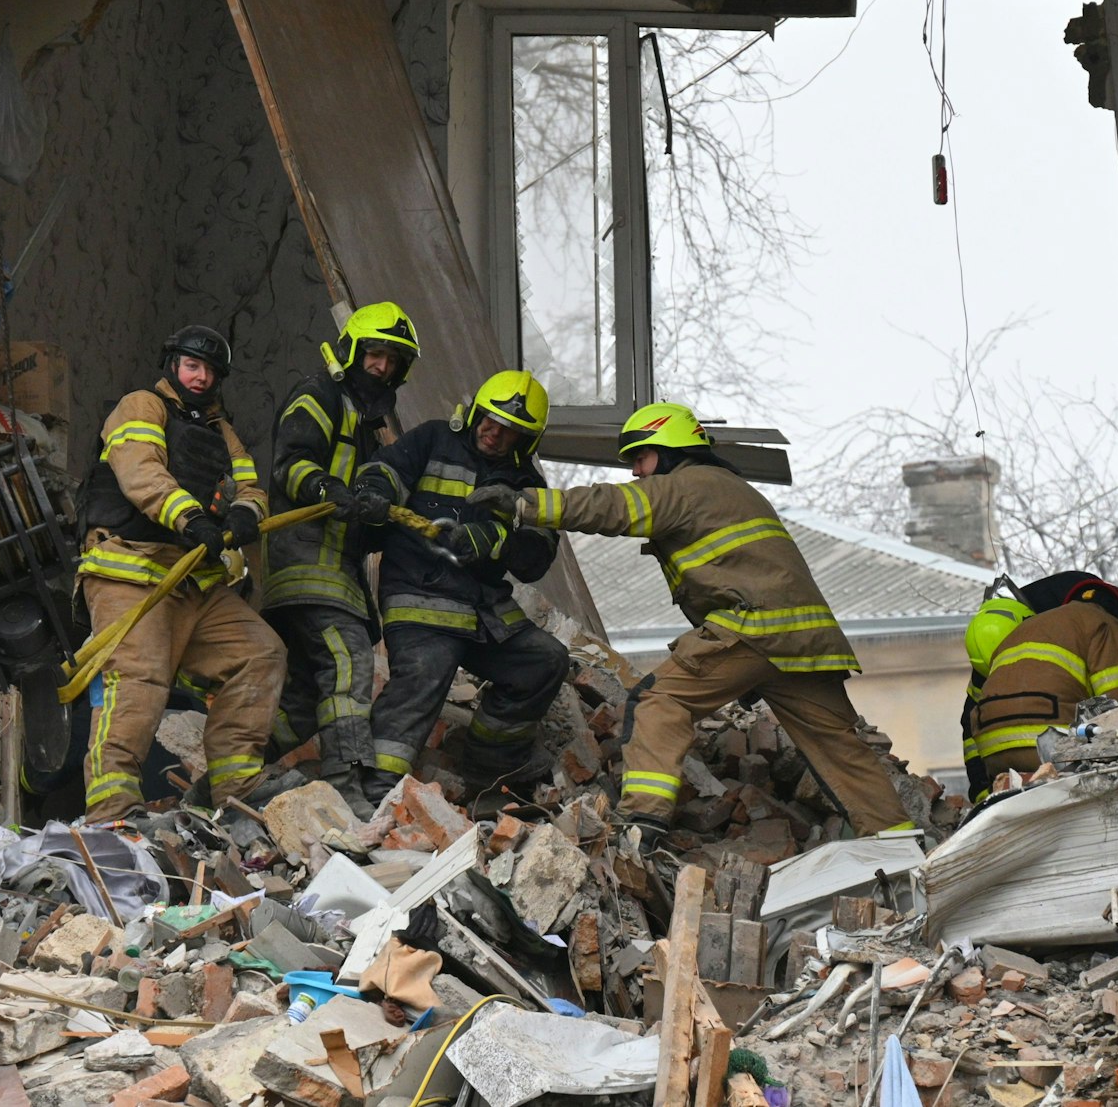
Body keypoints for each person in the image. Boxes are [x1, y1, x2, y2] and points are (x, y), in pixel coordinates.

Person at [470, 402, 913, 844]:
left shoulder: (687, 485)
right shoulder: (733, 489)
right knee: (839, 747)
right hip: (804, 641)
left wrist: (526, 504)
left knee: (657, 703)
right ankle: (899, 844)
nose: (636, 472)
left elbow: (614, 507)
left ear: (667, 450)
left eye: (640, 458)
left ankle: (642, 825)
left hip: (753, 627)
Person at [72, 325, 288, 821]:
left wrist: (243, 516)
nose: (201, 377)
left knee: (260, 653)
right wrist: (189, 517)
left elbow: (252, 487)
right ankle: (113, 812)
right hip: (131, 570)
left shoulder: (220, 431)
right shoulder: (141, 406)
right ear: (172, 365)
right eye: (193, 366)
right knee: (138, 682)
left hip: (194, 581)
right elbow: (140, 471)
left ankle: (237, 788)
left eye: (211, 371)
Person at [349, 370, 568, 801]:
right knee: (424, 677)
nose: (494, 433)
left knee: (544, 662)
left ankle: (488, 770)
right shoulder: (431, 439)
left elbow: (536, 558)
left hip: (483, 610)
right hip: (420, 597)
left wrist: (497, 540)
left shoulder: (525, 486)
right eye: (489, 419)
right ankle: (374, 794)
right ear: (473, 414)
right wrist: (373, 492)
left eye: (510, 431)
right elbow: (386, 472)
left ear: (526, 442)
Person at [263, 303, 418, 813]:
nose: (382, 368)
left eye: (393, 361)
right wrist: (331, 488)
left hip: (337, 575)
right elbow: (290, 465)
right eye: (375, 354)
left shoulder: (372, 429)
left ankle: (231, 775)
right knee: (349, 665)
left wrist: (376, 514)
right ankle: (347, 792)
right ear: (352, 351)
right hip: (310, 568)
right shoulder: (319, 395)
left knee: (305, 702)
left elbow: (363, 524)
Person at [960, 570, 1118, 797]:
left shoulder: (1014, 637)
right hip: (1050, 746)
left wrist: (982, 792)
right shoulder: (1102, 623)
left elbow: (971, 722)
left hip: (994, 759)